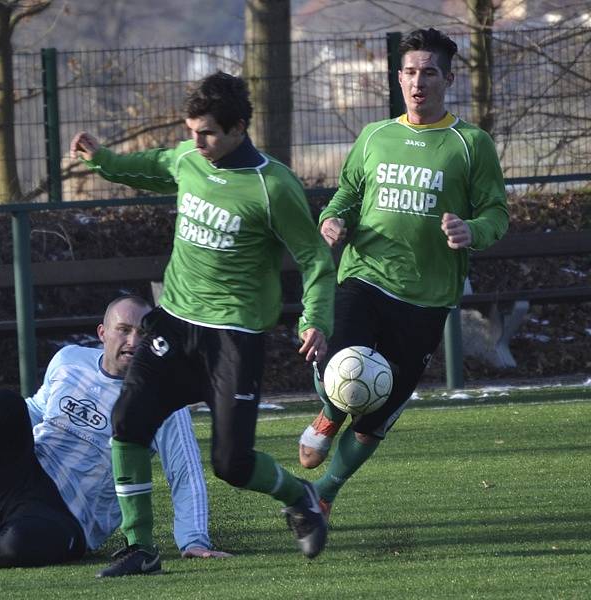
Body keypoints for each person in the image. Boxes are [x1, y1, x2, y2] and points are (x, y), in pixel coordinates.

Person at [70, 71, 337, 577]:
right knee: (127, 424)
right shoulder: (191, 157)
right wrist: (103, 159)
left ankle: (301, 496)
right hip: (173, 321)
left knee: (231, 465)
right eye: (191, 130)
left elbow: (317, 261)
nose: (195, 141)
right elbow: (151, 166)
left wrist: (315, 318)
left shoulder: (273, 186)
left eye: (207, 132)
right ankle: (141, 549)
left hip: (234, 337)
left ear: (239, 128)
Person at [297, 28, 509, 544]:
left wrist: (470, 231)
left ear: (448, 79)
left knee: (375, 418)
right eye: (410, 72)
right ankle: (328, 416)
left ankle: (323, 493)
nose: (418, 81)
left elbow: (497, 215)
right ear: (399, 78)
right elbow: (346, 196)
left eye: (429, 72)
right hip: (364, 279)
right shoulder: (374, 137)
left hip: (426, 300)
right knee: (346, 369)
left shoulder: (470, 143)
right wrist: (331, 220)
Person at [0, 294, 230, 569]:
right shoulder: (69, 360)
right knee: (2, 402)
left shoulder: (161, 397)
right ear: (102, 332)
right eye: (123, 330)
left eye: (142, 333)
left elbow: (185, 472)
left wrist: (193, 540)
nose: (133, 340)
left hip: (68, 521)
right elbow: (33, 409)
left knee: (18, 546)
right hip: (20, 480)